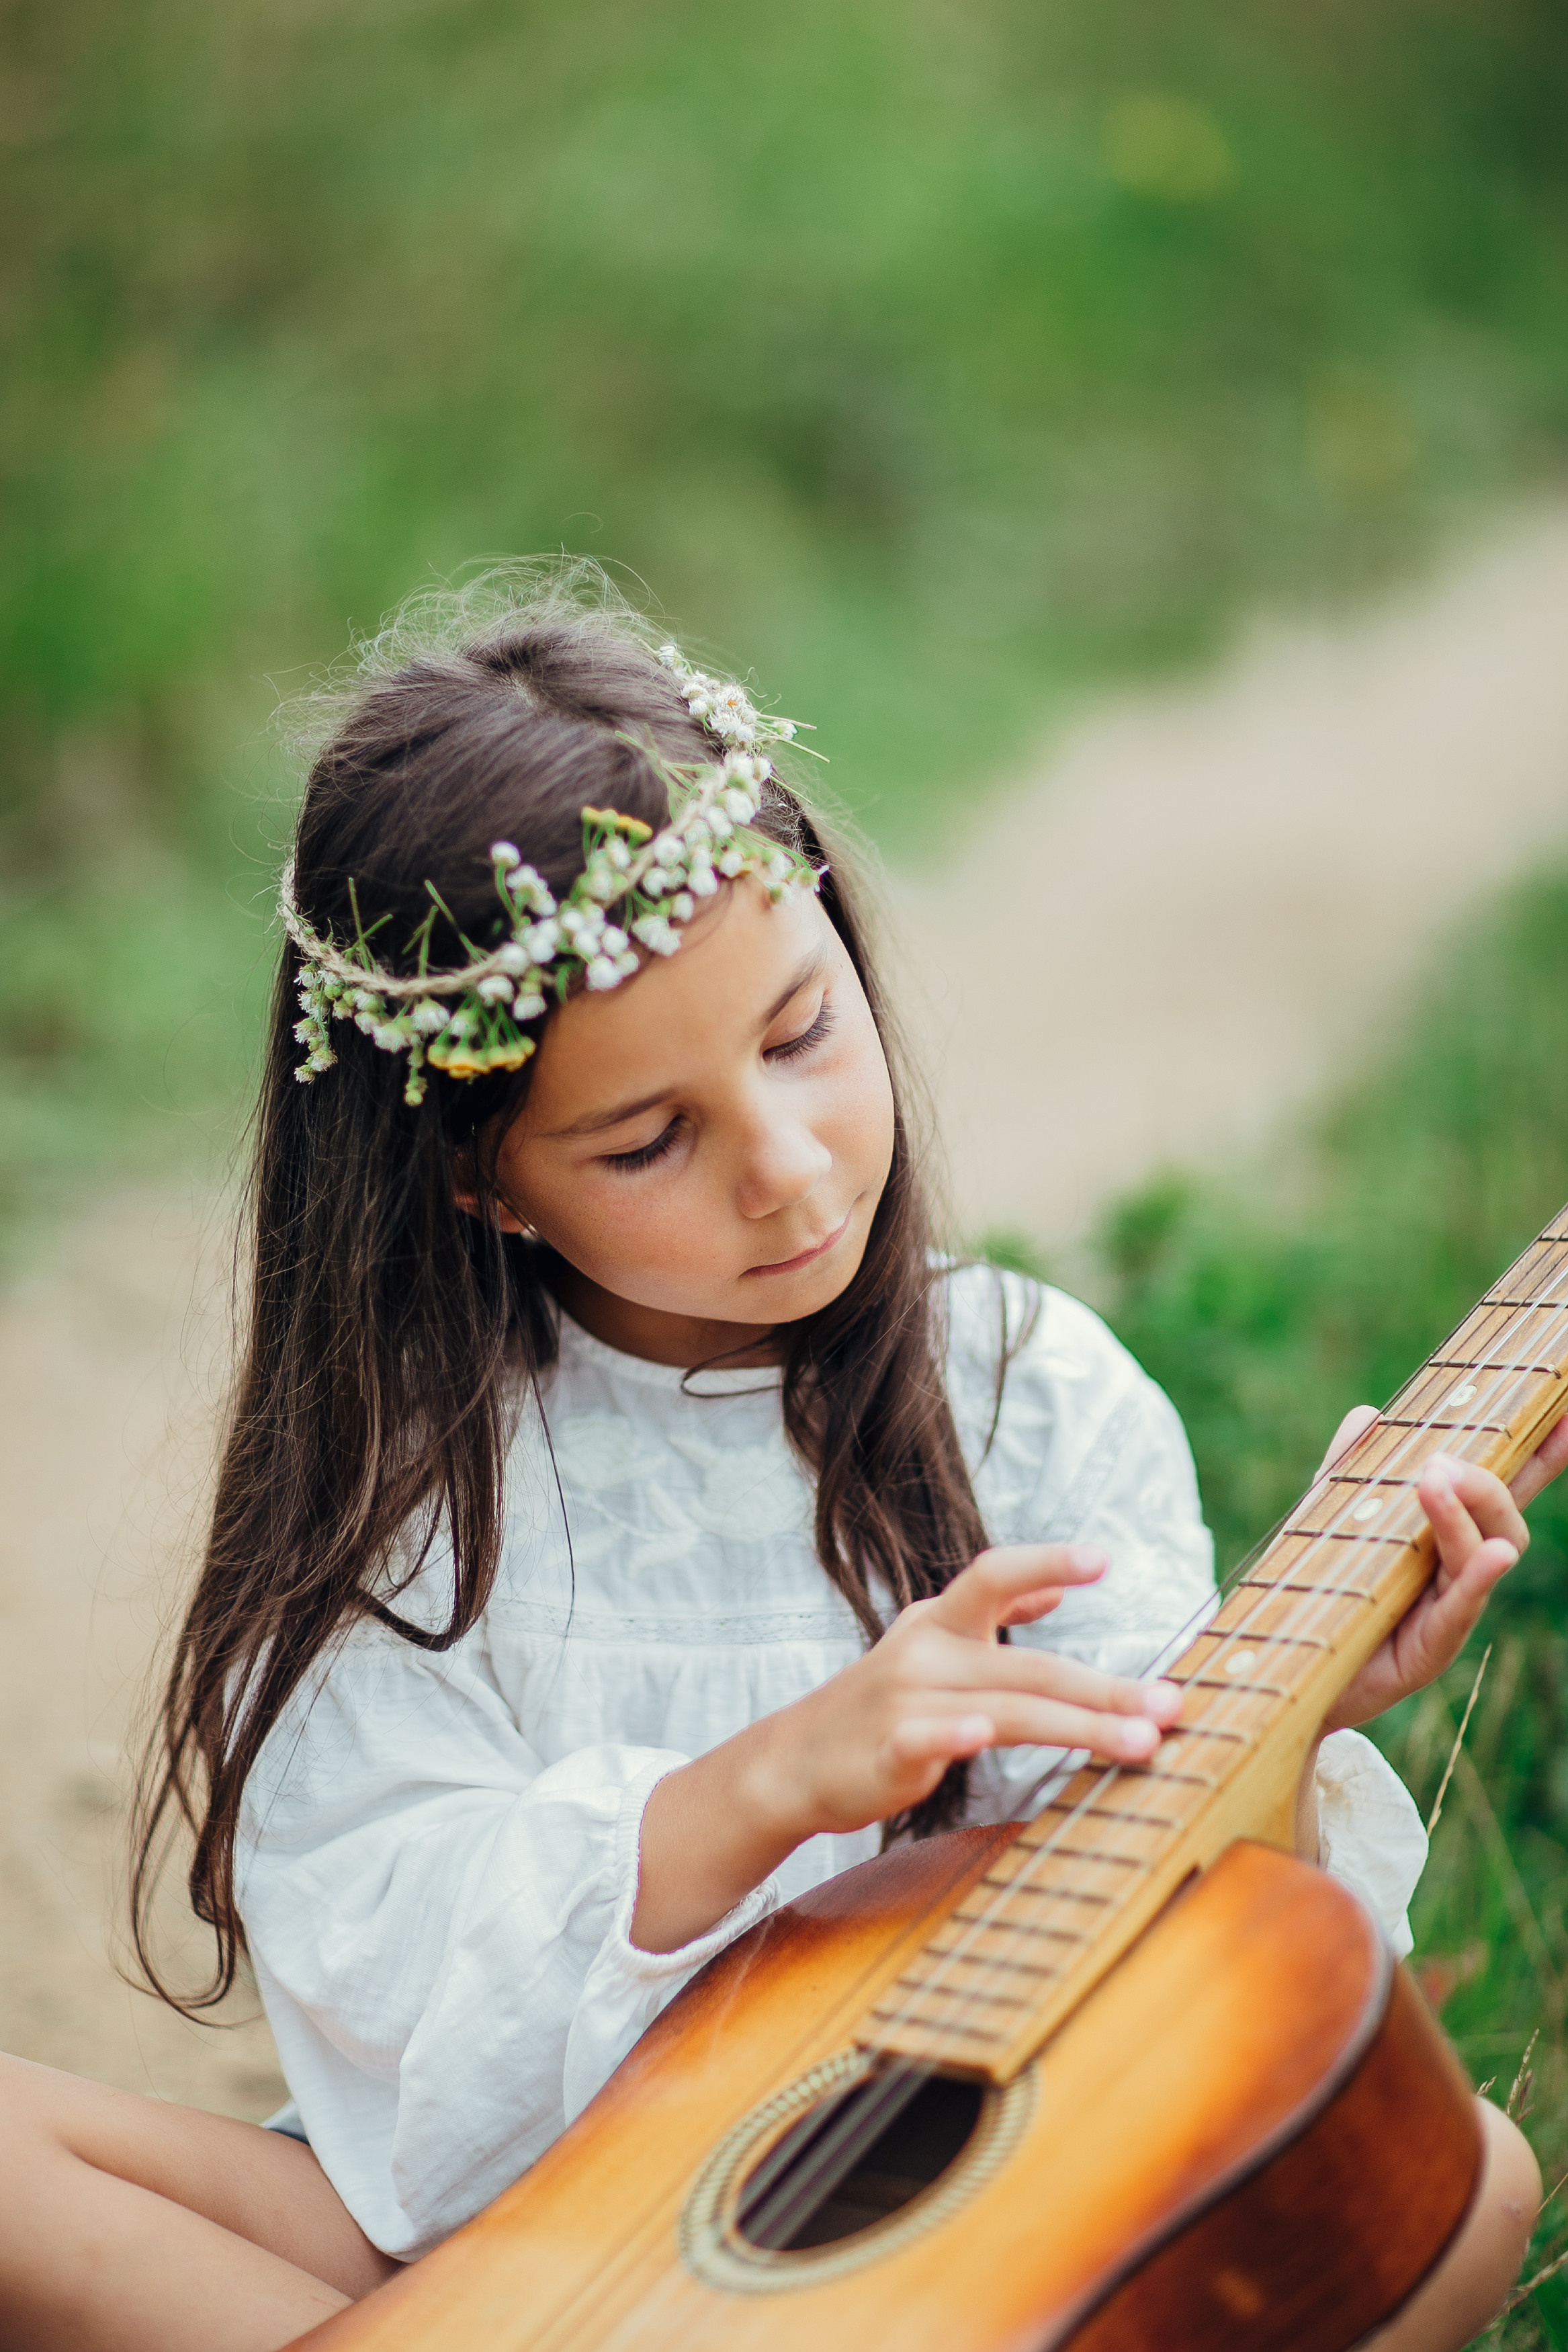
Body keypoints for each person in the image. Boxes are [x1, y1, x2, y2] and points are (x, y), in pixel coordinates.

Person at [1, 569, 1561, 2352]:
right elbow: (415, 2022)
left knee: (1465, 2176)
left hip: (917, 2209)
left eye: (804, 1034)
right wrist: (771, 1781)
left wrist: (1300, 1708)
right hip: (519, 2224)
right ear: (483, 1179)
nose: (789, 1167)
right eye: (652, 1135)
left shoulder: (1031, 1394)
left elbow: (1159, 1971)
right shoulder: (421, 1503)